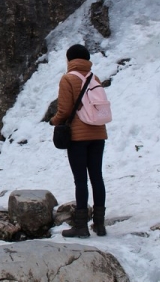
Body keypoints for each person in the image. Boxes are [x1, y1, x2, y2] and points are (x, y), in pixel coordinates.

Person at [48, 44, 107, 238]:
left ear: (69, 59)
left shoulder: (68, 79)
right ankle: (99, 224)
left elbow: (64, 110)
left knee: (81, 180)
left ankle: (81, 226)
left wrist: (54, 121)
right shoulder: (93, 78)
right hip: (98, 134)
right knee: (96, 177)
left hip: (78, 136)